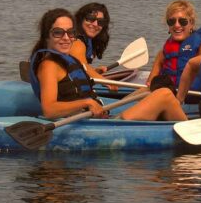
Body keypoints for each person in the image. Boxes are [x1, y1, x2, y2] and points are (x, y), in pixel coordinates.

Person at [29, 8, 186, 121]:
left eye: (70, 33)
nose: (66, 38)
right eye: (58, 32)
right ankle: (187, 131)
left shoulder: (66, 58)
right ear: (47, 35)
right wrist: (87, 102)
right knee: (164, 93)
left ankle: (168, 119)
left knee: (149, 90)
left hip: (101, 113)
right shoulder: (49, 65)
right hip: (96, 122)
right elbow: (49, 110)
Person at [145, 0, 201, 96]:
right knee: (144, 92)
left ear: (191, 24)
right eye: (171, 21)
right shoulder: (163, 54)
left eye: (183, 21)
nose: (177, 25)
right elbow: (149, 84)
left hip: (193, 99)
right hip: (166, 97)